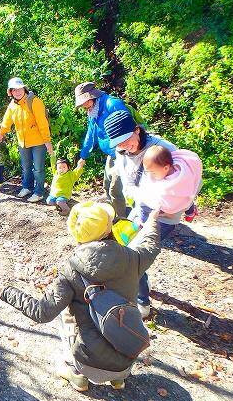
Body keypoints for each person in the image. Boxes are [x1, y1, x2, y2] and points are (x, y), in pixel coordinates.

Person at [0, 202, 161, 392]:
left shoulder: (70, 270)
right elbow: (151, 245)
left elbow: (41, 312)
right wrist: (153, 221)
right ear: (108, 228)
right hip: (127, 358)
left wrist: (5, 292)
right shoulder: (133, 257)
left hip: (88, 363)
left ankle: (77, 374)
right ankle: (118, 381)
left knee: (64, 312)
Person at [104, 109, 180, 317]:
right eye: (119, 143)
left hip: (164, 215)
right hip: (141, 209)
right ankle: (138, 287)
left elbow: (190, 178)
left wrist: (184, 202)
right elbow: (128, 185)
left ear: (137, 130)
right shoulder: (121, 152)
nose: (124, 145)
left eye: (127, 139)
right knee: (124, 244)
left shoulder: (162, 148)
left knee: (134, 255)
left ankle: (142, 304)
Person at [75, 82, 130, 219]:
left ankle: (121, 220)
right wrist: (83, 155)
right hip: (111, 153)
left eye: (84, 102)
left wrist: (127, 151)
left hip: (124, 152)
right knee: (107, 185)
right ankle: (113, 213)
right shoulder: (93, 111)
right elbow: (90, 134)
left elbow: (129, 128)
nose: (83, 106)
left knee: (115, 190)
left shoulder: (112, 104)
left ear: (92, 97)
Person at [0, 77, 52, 203]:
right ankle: (27, 187)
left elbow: (43, 123)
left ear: (24, 89)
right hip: (22, 142)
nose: (17, 92)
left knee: (38, 169)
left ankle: (39, 192)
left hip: (38, 141)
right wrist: (0, 133)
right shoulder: (12, 105)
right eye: (14, 90)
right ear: (10, 92)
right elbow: (6, 122)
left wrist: (47, 141)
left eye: (19, 89)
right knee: (26, 167)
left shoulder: (35, 101)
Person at [137, 146, 201, 224]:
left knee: (183, 203)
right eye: (148, 172)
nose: (150, 176)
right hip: (187, 196)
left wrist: (169, 212)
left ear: (166, 168)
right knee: (186, 201)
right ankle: (190, 211)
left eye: (153, 173)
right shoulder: (173, 166)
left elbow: (172, 204)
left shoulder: (175, 183)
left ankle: (190, 212)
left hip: (183, 198)